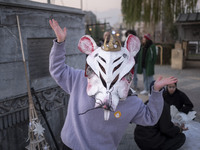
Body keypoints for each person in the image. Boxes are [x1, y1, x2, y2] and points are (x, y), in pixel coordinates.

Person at [49, 19, 177, 150]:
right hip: (71, 145)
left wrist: (156, 91)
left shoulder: (131, 100)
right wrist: (59, 43)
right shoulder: (80, 80)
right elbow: (58, 70)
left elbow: (150, 117)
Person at [134, 81, 188, 150]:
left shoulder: (147, 102)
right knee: (181, 137)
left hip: (139, 139)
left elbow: (157, 123)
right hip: (150, 143)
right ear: (164, 92)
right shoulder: (163, 105)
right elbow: (166, 129)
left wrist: (172, 125)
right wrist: (179, 129)